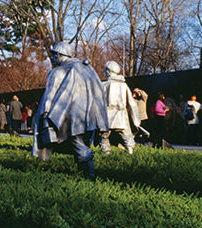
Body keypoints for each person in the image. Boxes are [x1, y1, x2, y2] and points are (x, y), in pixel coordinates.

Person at [31, 41, 107, 179]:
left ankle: (90, 175)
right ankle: (82, 173)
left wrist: (45, 113)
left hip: (68, 115)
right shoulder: (86, 68)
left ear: (61, 55)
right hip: (88, 115)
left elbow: (50, 95)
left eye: (55, 55)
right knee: (79, 142)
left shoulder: (58, 72)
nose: (53, 59)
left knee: (77, 143)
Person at [99, 61, 143, 154]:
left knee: (104, 136)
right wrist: (135, 117)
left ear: (109, 71)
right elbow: (131, 103)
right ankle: (130, 152)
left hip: (107, 115)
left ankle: (106, 153)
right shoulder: (124, 85)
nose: (105, 71)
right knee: (127, 135)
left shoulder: (104, 85)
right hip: (121, 115)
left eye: (106, 70)